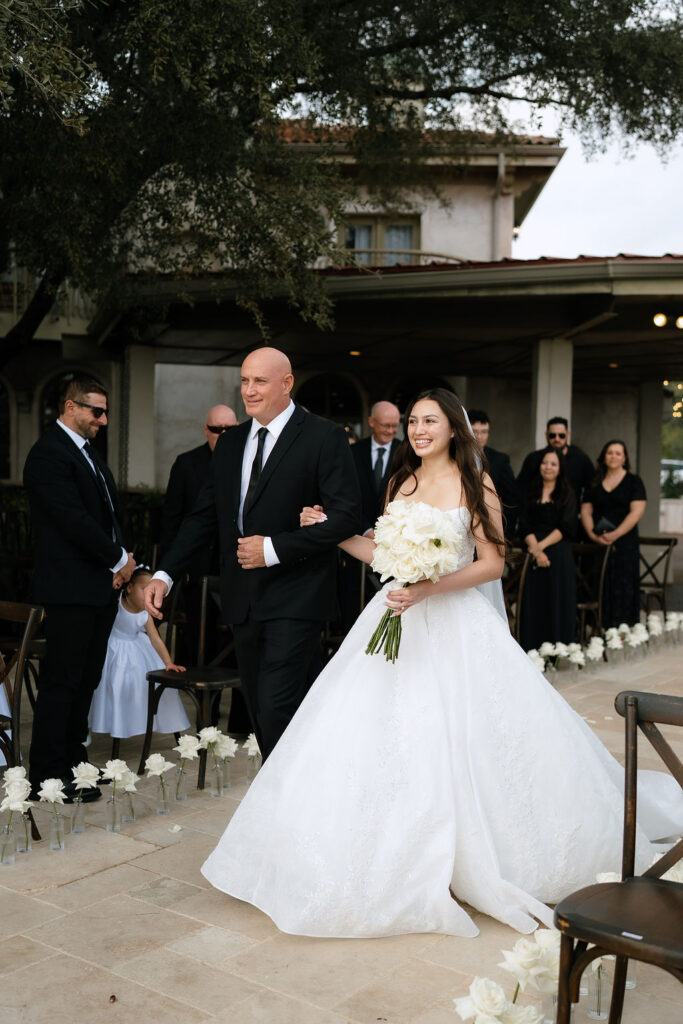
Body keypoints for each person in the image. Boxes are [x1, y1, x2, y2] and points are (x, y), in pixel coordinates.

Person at [200, 388, 682, 939]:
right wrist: (330, 533)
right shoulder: (399, 483)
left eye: (430, 420)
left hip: (452, 621)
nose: (419, 429)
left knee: (467, 737)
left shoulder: (476, 483)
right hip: (395, 615)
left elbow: (494, 563)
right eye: (412, 420)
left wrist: (430, 588)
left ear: (453, 427)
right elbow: (384, 554)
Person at [144, 347, 361, 759]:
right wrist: (164, 574)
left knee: (277, 705)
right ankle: (287, 794)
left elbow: (347, 517)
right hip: (242, 598)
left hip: (299, 595)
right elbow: (203, 517)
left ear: (287, 383)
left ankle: (285, 804)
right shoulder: (231, 443)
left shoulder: (323, 436)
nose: (249, 390)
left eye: (260, 381)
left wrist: (274, 548)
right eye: (244, 380)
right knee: (262, 709)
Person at [23, 376, 136, 800]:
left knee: (86, 679)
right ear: (70, 407)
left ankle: (74, 762)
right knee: (63, 680)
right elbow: (73, 520)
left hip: (98, 587)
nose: (103, 420)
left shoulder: (87, 452)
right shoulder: (48, 454)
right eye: (96, 411)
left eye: (105, 411)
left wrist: (121, 559)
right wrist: (117, 558)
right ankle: (47, 777)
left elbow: (106, 515)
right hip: (70, 587)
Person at [160, 402, 250, 733]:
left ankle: (242, 721)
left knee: (239, 642)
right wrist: (173, 569)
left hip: (237, 568)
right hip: (198, 573)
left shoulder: (247, 459)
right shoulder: (187, 464)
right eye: (216, 430)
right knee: (202, 643)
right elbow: (174, 520)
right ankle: (205, 719)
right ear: (206, 430)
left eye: (229, 429)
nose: (223, 435)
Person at [89, 567, 189, 740]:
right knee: (110, 682)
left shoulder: (145, 614)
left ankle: (137, 722)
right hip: (111, 648)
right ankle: (93, 724)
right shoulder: (116, 603)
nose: (148, 595)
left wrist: (168, 663)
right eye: (144, 589)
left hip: (137, 649)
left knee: (146, 684)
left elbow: (156, 639)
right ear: (129, 588)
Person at [581, 439, 647, 628]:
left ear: (624, 458)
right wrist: (593, 536)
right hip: (598, 542)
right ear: (604, 456)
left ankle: (623, 629)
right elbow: (586, 511)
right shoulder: (594, 481)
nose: (614, 456)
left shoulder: (634, 481)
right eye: (610, 452)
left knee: (623, 584)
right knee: (598, 584)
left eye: (618, 453)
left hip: (625, 543)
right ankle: (599, 628)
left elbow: (637, 512)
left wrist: (616, 534)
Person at [518, 448, 577, 651]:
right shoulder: (529, 491)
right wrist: (535, 551)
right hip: (532, 552)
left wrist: (541, 548)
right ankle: (532, 647)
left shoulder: (567, 493)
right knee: (534, 600)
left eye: (553, 464)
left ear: (560, 468)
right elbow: (523, 524)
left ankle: (557, 648)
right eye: (545, 463)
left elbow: (566, 527)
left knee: (556, 600)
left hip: (557, 553)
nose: (548, 467)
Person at [516, 416, 594, 505]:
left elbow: (592, 487)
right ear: (546, 435)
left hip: (570, 513)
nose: (557, 439)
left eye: (561, 435)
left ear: (568, 435)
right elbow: (520, 488)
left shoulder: (581, 459)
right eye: (552, 435)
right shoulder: (533, 458)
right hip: (536, 511)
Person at [352, 401, 401, 537]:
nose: (390, 430)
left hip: (394, 538)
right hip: (357, 534)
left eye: (395, 426)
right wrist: (366, 530)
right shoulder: (353, 452)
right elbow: (348, 494)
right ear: (371, 422)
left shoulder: (406, 454)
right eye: (385, 425)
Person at [468, 408, 519, 536]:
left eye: (484, 432)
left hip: (489, 527)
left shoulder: (500, 460)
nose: (479, 437)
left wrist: (504, 532)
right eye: (474, 432)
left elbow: (511, 499)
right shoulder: (453, 457)